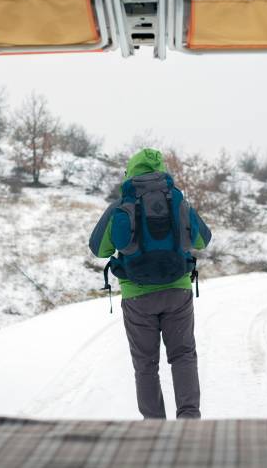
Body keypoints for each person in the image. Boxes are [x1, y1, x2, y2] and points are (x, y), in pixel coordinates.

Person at [89, 148, 212, 419]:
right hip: (177, 291)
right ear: (161, 171)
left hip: (137, 298)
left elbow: (98, 248)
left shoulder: (122, 204)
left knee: (145, 365)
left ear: (131, 172)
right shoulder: (178, 201)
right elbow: (203, 239)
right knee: (183, 356)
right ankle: (189, 419)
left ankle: (155, 428)